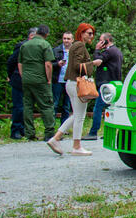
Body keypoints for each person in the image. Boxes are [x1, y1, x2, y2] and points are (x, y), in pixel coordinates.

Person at [47, 23, 96, 156]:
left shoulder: (76, 46)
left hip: (71, 83)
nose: (91, 36)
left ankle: (56, 138)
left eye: (92, 33)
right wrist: (93, 64)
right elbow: (76, 66)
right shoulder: (79, 45)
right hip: (77, 84)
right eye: (89, 33)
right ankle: (76, 146)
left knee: (76, 115)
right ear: (81, 33)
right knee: (80, 117)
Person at [18, 24, 56, 142]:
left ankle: (29, 133)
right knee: (46, 105)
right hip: (40, 80)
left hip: (26, 79)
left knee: (28, 106)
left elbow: (20, 63)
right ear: (46, 34)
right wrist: (49, 79)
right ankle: (49, 133)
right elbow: (48, 64)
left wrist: (23, 76)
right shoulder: (45, 44)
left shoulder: (24, 45)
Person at [84, 32, 123, 141]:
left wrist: (96, 50)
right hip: (114, 84)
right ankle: (109, 132)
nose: (99, 42)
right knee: (111, 109)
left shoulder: (109, 52)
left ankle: (93, 132)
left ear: (106, 41)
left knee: (98, 108)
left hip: (107, 86)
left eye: (101, 40)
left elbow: (98, 62)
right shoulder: (117, 51)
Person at [6, 27, 36, 139]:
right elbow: (11, 61)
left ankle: (24, 129)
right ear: (30, 36)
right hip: (18, 80)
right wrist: (10, 75)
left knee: (28, 106)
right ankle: (15, 130)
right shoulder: (21, 46)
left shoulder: (38, 48)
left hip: (31, 80)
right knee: (18, 106)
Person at [52, 31, 73, 124]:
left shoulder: (75, 51)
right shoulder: (56, 50)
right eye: (64, 38)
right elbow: (49, 64)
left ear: (72, 40)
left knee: (67, 105)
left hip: (70, 80)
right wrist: (58, 64)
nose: (66, 41)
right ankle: (51, 125)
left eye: (68, 39)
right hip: (58, 80)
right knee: (55, 104)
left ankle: (64, 127)